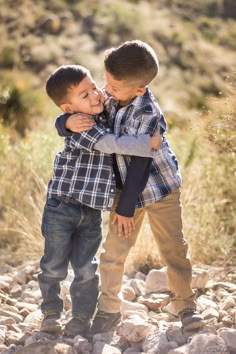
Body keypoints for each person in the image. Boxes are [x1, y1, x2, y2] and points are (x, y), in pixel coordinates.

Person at [60, 40, 205, 336]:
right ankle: (109, 308)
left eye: (112, 86)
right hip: (124, 190)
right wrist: (65, 123)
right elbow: (80, 117)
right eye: (106, 81)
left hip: (159, 189)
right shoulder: (110, 99)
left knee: (173, 248)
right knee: (113, 252)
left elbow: (140, 164)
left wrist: (126, 209)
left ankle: (185, 304)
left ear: (138, 90)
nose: (105, 89)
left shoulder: (148, 112)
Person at [38, 64, 161, 337]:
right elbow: (109, 143)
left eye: (93, 86)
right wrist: (146, 144)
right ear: (68, 109)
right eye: (85, 94)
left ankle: (81, 316)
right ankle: (50, 313)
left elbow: (124, 92)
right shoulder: (81, 124)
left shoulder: (99, 104)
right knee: (53, 265)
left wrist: (63, 122)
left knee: (85, 268)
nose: (95, 95)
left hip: (91, 210)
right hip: (61, 206)